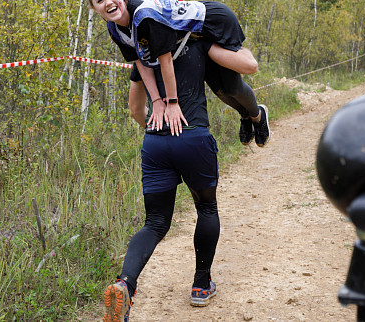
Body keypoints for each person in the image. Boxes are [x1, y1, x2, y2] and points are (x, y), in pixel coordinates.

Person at [102, 37, 253, 321]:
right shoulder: (198, 44)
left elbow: (135, 109)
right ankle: (200, 285)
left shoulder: (144, 53)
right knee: (206, 208)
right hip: (193, 137)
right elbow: (245, 68)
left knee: (155, 223)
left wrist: (154, 127)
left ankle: (125, 284)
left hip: (156, 142)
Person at [86, 0, 270, 147]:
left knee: (234, 84)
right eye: (100, 0)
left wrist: (172, 103)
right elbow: (139, 62)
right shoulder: (114, 28)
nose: (108, 2)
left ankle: (257, 114)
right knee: (220, 90)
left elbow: (166, 62)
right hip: (189, 35)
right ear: (94, 8)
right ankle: (245, 115)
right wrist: (157, 101)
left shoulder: (144, 17)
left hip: (213, 22)